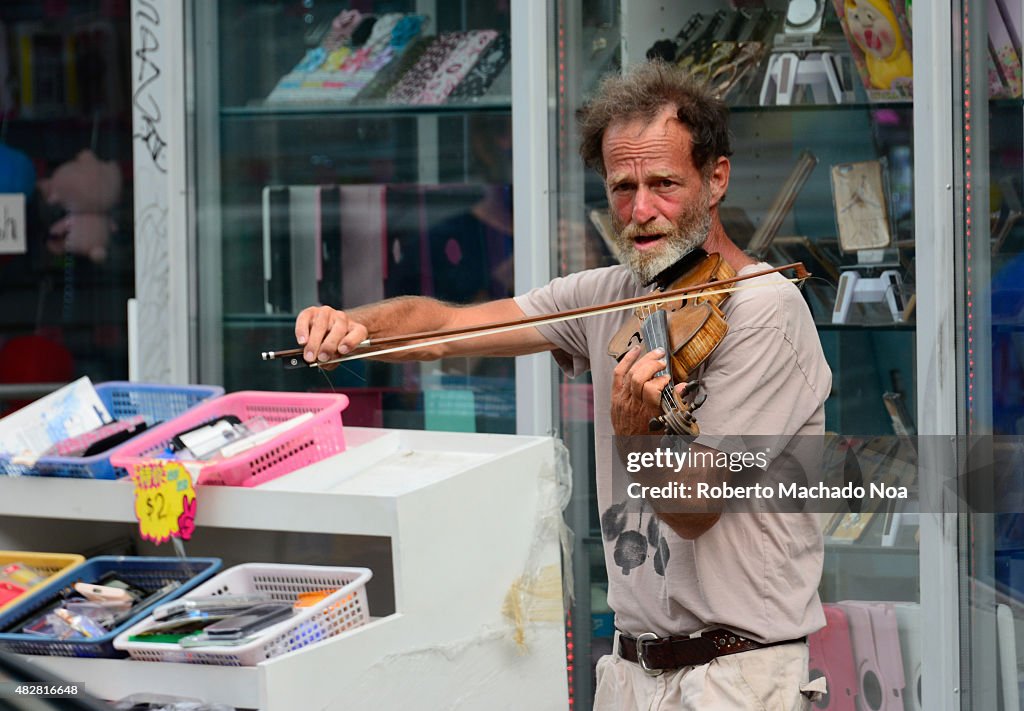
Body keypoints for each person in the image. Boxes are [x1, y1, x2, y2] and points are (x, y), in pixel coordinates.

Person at [295, 61, 831, 710]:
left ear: (716, 177)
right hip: (632, 672)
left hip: (738, 678)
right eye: (621, 187)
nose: (640, 211)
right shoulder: (609, 293)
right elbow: (445, 327)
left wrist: (637, 435)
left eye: (664, 184)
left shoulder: (764, 311)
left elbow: (695, 509)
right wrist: (355, 325)